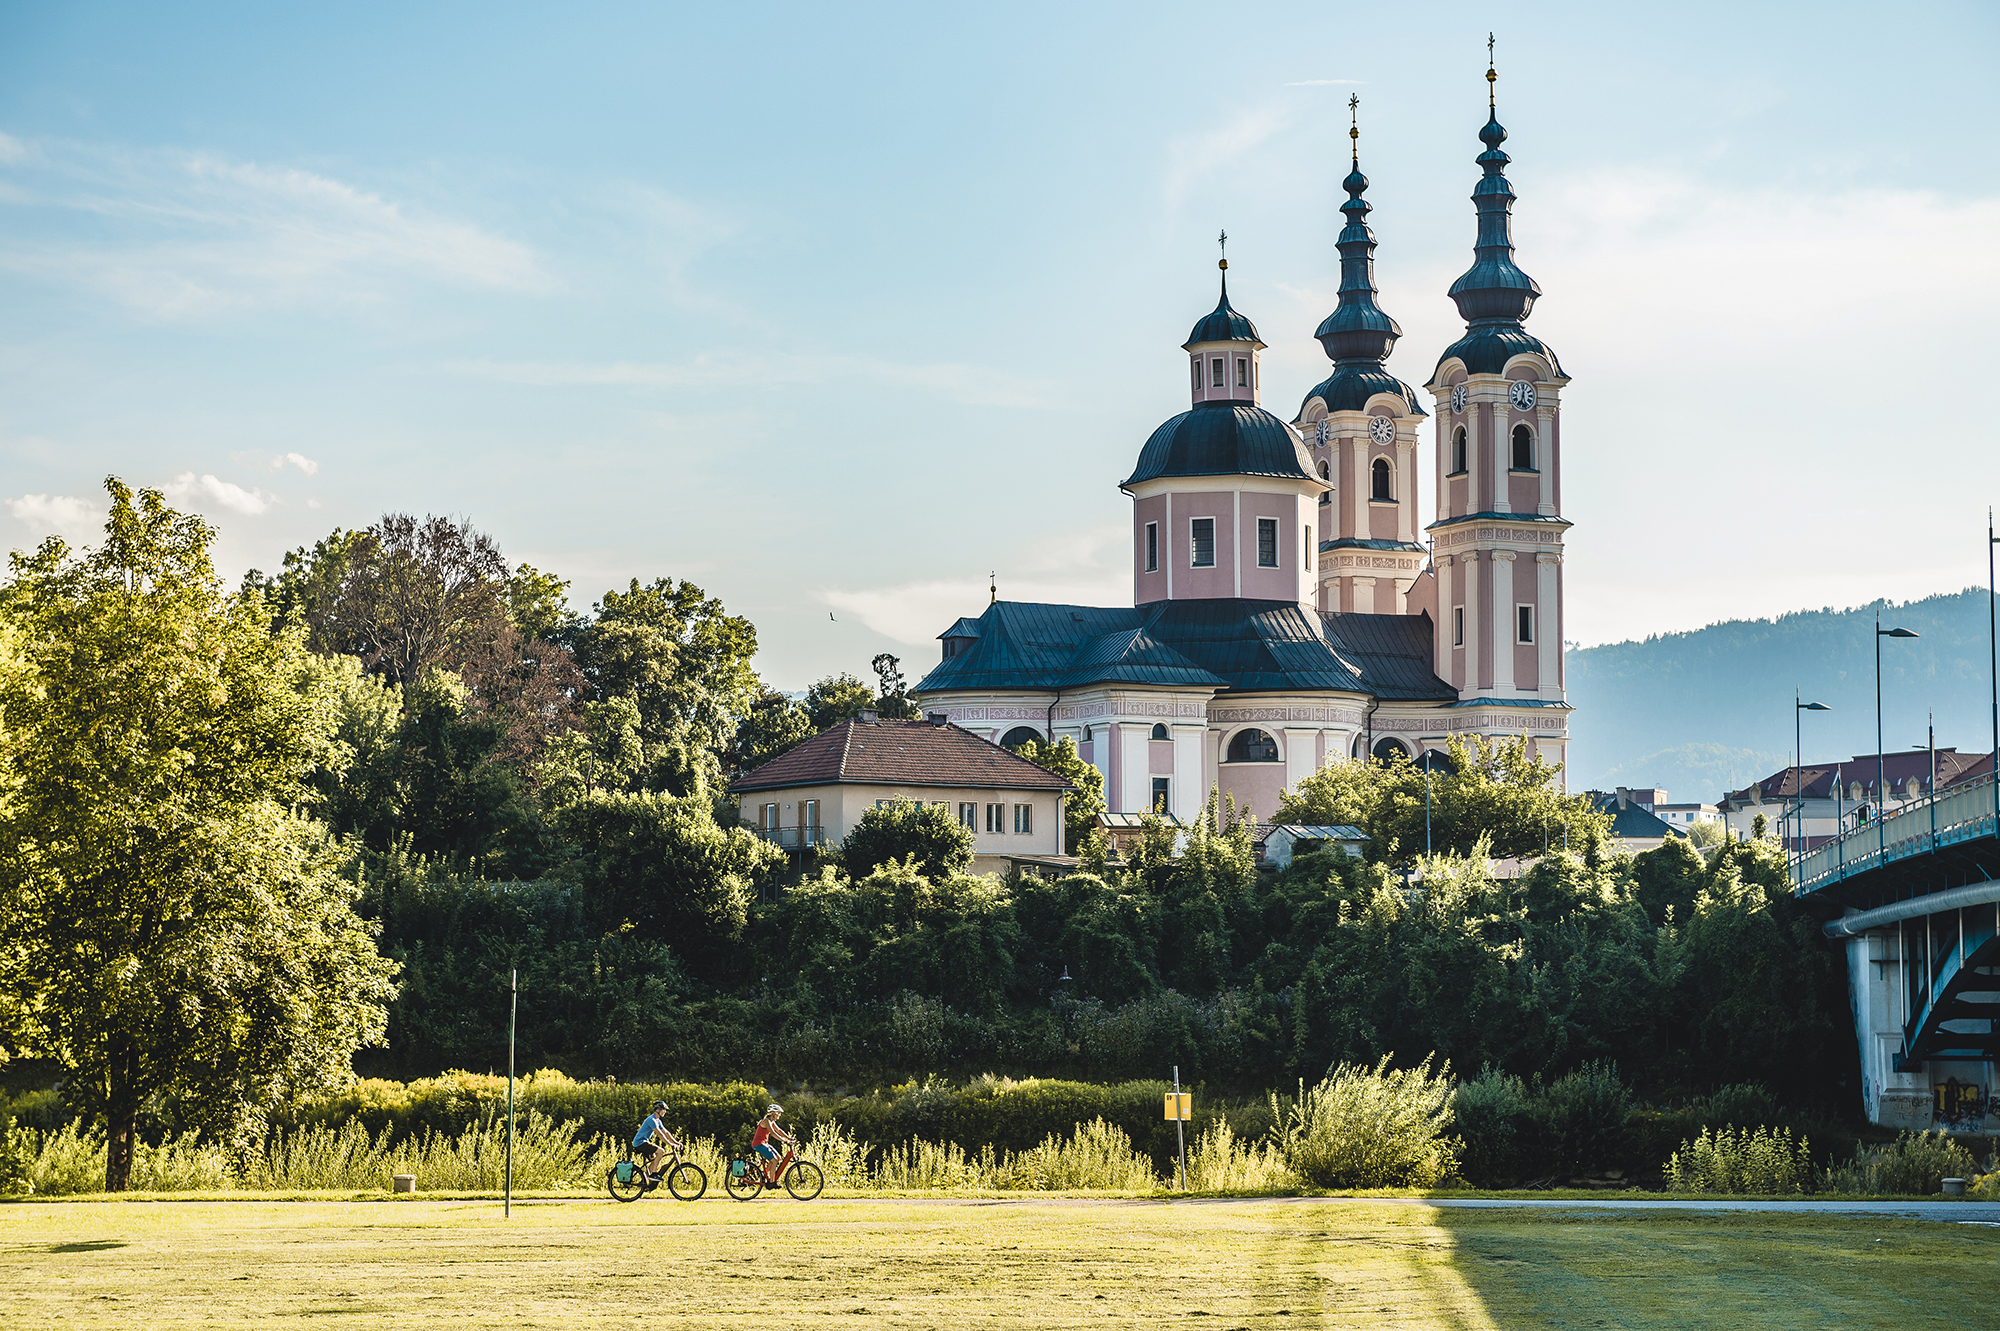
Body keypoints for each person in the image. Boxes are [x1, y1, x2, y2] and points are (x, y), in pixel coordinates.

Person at [631, 1100, 682, 1182]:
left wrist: (676, 1142)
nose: (665, 1111)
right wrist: (670, 1145)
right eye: (663, 1109)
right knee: (661, 1151)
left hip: (644, 1142)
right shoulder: (652, 1120)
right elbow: (660, 1134)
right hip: (640, 1143)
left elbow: (666, 1132)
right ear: (658, 1110)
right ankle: (654, 1174)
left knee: (654, 1161)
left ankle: (644, 1182)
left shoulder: (657, 1120)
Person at [750, 1103, 795, 1184]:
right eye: (779, 1113)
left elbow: (779, 1130)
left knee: (778, 1158)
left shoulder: (771, 1121)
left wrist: (789, 1138)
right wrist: (784, 1141)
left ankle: (764, 1175)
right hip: (758, 1144)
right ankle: (771, 1182)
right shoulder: (766, 1121)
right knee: (774, 1160)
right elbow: (773, 1133)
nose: (780, 1115)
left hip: (764, 1143)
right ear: (773, 1113)